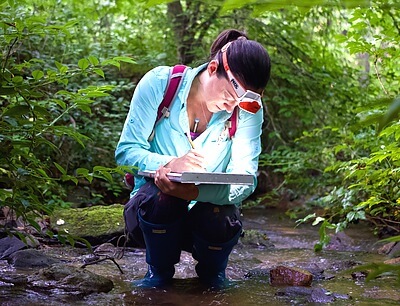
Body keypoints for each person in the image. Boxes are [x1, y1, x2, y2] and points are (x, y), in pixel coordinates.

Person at [115, 29, 271, 289]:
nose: (235, 106)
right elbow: (126, 153)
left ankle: (213, 275)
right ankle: (158, 272)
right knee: (162, 196)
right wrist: (166, 165)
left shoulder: (247, 110)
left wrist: (196, 191)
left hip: (207, 214)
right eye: (233, 95)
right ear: (212, 69)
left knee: (221, 215)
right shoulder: (160, 84)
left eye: (247, 101)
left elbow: (245, 180)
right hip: (151, 215)